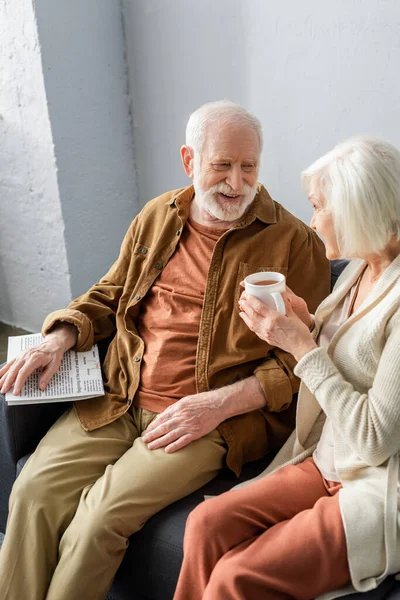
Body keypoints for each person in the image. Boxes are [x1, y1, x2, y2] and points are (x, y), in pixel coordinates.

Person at [0, 101, 329, 600]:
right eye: (222, 165)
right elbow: (109, 294)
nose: (236, 183)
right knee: (32, 494)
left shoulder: (294, 244)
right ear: (189, 161)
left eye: (249, 167)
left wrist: (216, 405)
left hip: (206, 417)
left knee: (99, 520)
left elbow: (301, 362)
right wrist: (59, 336)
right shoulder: (158, 217)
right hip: (119, 397)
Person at [173, 135, 400, 600]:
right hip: (327, 461)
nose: (313, 223)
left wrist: (301, 347)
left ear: (358, 210)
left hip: (377, 486)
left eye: (319, 208)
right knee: (205, 524)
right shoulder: (362, 267)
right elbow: (355, 357)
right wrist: (308, 324)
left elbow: (376, 441)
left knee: (235, 578)